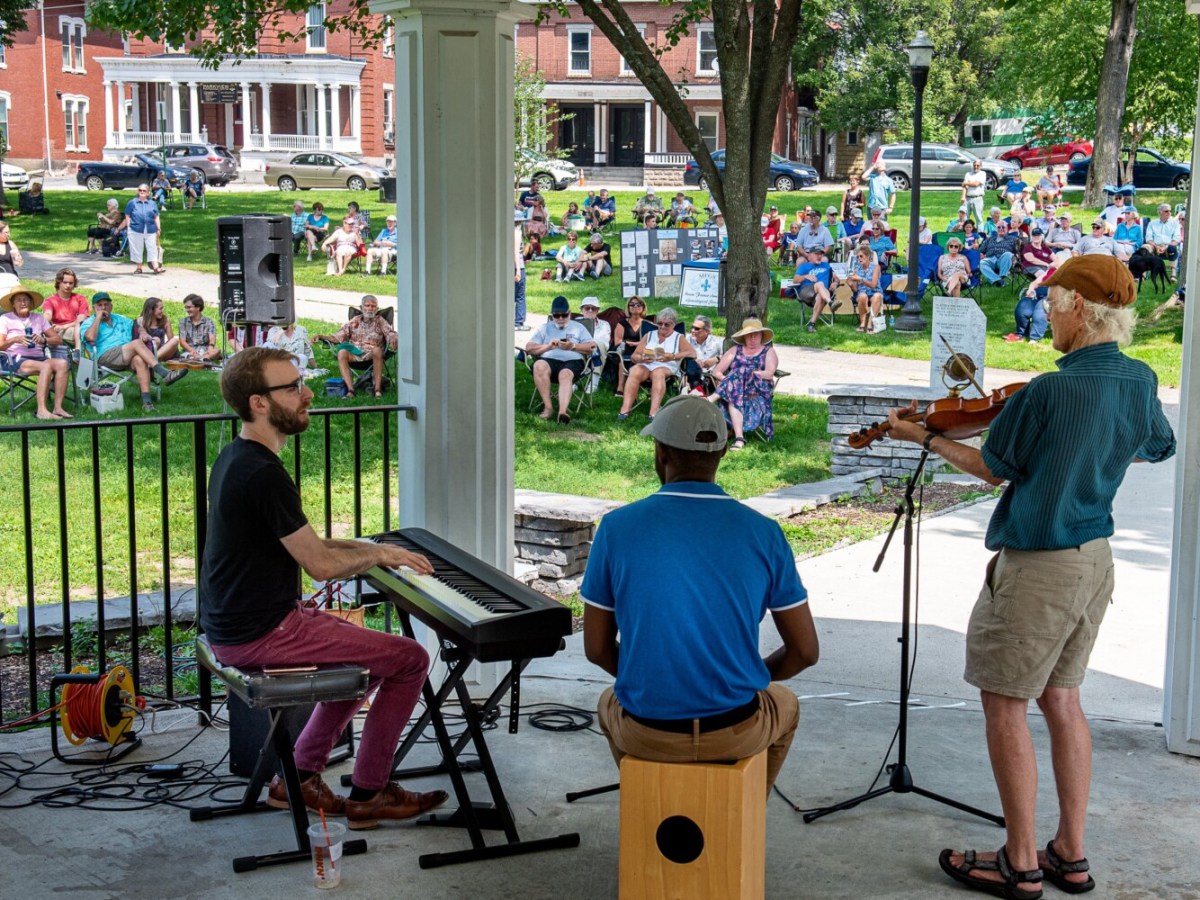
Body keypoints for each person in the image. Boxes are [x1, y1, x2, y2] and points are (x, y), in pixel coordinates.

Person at [881, 255, 1175, 900]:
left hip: (1041, 563)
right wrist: (1089, 454)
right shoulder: (1140, 379)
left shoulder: (1048, 390)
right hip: (1094, 558)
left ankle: (1019, 863)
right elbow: (1157, 445)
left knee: (1006, 705)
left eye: (1052, 301)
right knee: (1063, 701)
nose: (1047, 312)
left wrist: (923, 437)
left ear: (1078, 307)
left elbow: (992, 468)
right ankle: (1070, 852)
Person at [200, 346, 448, 829]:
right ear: (258, 403)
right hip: (261, 633)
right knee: (409, 659)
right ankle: (370, 794)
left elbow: (304, 543)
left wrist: (371, 546)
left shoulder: (237, 456)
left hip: (242, 625)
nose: (307, 393)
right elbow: (319, 565)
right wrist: (378, 555)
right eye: (292, 387)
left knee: (369, 659)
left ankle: (299, 776)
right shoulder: (262, 473)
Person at [582, 394, 819, 793]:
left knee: (609, 703)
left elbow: (597, 649)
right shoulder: (764, 533)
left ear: (661, 452)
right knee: (787, 705)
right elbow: (806, 652)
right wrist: (750, 678)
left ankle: (649, 800)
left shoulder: (616, 529)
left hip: (647, 730)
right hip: (735, 728)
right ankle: (744, 812)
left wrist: (653, 682)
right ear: (723, 452)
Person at [83, 292, 188, 411]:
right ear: (94, 307)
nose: (103, 308)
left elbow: (137, 324)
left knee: (139, 360)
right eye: (99, 305)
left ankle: (147, 403)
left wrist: (142, 331)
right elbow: (90, 337)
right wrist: (97, 318)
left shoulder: (120, 318)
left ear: (111, 306)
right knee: (137, 343)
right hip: (106, 356)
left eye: (106, 304)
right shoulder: (89, 323)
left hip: (126, 354)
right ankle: (164, 373)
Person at [0, 286, 71, 420]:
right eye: (19, 300)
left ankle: (58, 408)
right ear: (13, 304)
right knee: (45, 367)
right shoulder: (5, 319)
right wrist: (15, 339)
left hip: (38, 358)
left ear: (31, 302)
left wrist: (43, 340)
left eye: (26, 300)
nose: (23, 303)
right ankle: (42, 411)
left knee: (62, 364)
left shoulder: (39, 318)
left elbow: (58, 340)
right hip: (14, 359)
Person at [525, 295, 595, 424]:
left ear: (569, 313)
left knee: (565, 374)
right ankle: (548, 408)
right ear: (552, 315)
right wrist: (548, 346)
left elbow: (591, 347)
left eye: (564, 315)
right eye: (557, 316)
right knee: (539, 365)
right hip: (549, 360)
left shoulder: (579, 327)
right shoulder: (545, 328)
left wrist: (572, 346)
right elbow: (529, 348)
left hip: (573, 361)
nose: (560, 318)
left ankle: (562, 413)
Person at [617, 307, 693, 423]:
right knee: (635, 370)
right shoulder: (649, 335)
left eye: (667, 324)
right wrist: (642, 358)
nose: (662, 326)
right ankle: (625, 409)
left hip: (667, 366)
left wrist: (673, 356)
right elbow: (634, 356)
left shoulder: (678, 337)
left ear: (673, 325)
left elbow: (692, 353)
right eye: (660, 323)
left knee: (658, 372)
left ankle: (653, 412)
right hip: (647, 364)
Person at [711, 318, 779, 448]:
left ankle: (711, 398)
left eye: (755, 334)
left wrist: (748, 373)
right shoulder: (735, 350)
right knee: (735, 390)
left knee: (740, 371)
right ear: (744, 336)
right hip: (735, 392)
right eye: (749, 335)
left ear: (761, 335)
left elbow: (769, 373)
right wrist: (729, 382)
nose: (752, 337)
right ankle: (739, 438)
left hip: (759, 389)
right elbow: (716, 372)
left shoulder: (768, 351)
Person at [315, 295, 398, 398]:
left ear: (377, 309)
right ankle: (351, 390)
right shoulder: (355, 320)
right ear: (361, 307)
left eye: (373, 306)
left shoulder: (380, 320)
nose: (370, 308)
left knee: (377, 350)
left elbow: (390, 332)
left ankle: (377, 390)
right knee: (342, 352)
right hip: (355, 353)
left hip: (372, 355)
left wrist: (394, 337)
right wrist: (321, 336)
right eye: (367, 305)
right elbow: (338, 337)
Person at [41, 268, 90, 357]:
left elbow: (83, 319)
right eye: (65, 282)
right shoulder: (51, 300)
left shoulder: (80, 299)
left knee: (85, 330)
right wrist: (44, 322)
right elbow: (48, 314)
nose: (68, 285)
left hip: (77, 328)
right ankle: (81, 357)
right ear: (59, 283)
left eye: (71, 283)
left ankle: (80, 354)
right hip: (59, 331)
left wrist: (64, 326)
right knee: (85, 334)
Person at [613, 297, 655, 395]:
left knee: (652, 353)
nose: (635, 306)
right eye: (632, 304)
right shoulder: (622, 323)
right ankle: (620, 387)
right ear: (628, 307)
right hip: (625, 348)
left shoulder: (648, 324)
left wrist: (638, 344)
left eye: (638, 304)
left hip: (643, 350)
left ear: (643, 307)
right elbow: (617, 341)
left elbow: (653, 341)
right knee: (624, 351)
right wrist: (630, 343)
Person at [122, 184, 165, 276]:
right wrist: (129, 226)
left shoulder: (152, 203)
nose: (142, 192)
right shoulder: (132, 202)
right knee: (137, 248)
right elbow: (127, 214)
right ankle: (139, 267)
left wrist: (158, 228)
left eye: (144, 190)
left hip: (150, 229)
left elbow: (156, 216)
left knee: (152, 248)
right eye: (140, 190)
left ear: (148, 193)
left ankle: (156, 267)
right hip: (136, 228)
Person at [792, 247, 836, 334]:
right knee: (820, 284)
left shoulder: (826, 266)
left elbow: (836, 278)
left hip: (823, 293)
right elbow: (795, 280)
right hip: (807, 292)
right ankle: (831, 303)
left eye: (821, 254)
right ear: (810, 256)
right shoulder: (804, 266)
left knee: (820, 296)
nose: (819, 256)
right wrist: (805, 276)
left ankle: (812, 324)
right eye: (817, 254)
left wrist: (835, 283)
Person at [682, 314, 722, 395]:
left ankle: (699, 391)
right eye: (692, 327)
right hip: (691, 373)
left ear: (707, 331)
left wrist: (716, 359)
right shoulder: (687, 340)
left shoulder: (716, 342)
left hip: (709, 375)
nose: (692, 330)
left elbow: (727, 355)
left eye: (697, 329)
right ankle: (698, 391)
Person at [847, 244, 884, 328]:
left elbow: (873, 285)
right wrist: (851, 285)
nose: (859, 259)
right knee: (862, 296)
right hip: (862, 293)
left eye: (861, 256)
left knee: (877, 296)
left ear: (867, 256)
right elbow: (856, 290)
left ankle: (870, 324)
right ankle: (863, 323)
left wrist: (860, 279)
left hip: (874, 292)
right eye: (857, 257)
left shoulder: (876, 267)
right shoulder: (857, 269)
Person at [579, 297, 611, 393]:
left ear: (597, 310)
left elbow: (605, 343)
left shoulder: (604, 324)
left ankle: (594, 383)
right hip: (579, 349)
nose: (590, 310)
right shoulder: (575, 323)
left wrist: (590, 344)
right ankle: (573, 381)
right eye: (587, 308)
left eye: (593, 308)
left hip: (596, 350)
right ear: (581, 310)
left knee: (599, 346)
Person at [178, 294, 222, 363]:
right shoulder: (183, 322)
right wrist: (193, 351)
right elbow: (182, 342)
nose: (187, 310)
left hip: (205, 350)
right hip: (190, 350)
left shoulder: (209, 321)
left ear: (198, 307)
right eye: (186, 307)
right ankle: (202, 360)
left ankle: (202, 359)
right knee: (188, 355)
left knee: (217, 350)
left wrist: (210, 349)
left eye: (189, 307)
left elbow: (212, 339)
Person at [1145, 203, 1181, 281]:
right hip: (1154, 246)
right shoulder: (1152, 223)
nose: (1169, 213)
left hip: (1168, 248)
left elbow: (1176, 240)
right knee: (1145, 247)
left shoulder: (1175, 224)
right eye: (1166, 211)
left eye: (1170, 211)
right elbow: (1148, 239)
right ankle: (1142, 274)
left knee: (1172, 247)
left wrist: (1165, 247)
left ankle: (1173, 274)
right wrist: (1156, 246)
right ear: (1160, 212)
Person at [137, 296, 180, 361]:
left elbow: (171, 340)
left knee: (175, 340)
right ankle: (152, 360)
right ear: (151, 310)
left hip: (163, 351)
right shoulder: (142, 320)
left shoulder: (165, 320)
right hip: (149, 350)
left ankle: (152, 360)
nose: (162, 311)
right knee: (155, 340)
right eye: (160, 309)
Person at [978, 220, 1020, 286]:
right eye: (999, 227)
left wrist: (1016, 258)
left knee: (1008, 254)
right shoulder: (990, 239)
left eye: (1003, 227)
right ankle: (998, 280)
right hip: (990, 259)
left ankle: (1001, 276)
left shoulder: (1013, 239)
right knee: (981, 263)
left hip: (1003, 260)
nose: (1001, 229)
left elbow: (1018, 252)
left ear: (1007, 228)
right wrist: (980, 254)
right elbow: (980, 250)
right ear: (996, 229)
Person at [961, 159, 987, 225]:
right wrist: (963, 196)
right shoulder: (968, 174)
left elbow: (976, 184)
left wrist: (967, 183)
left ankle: (980, 231)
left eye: (977, 165)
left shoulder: (982, 174)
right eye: (974, 165)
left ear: (981, 166)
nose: (976, 167)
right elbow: (964, 186)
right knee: (965, 218)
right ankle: (966, 231)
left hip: (977, 198)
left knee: (979, 218)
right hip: (967, 198)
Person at [513, 223, 527, 332]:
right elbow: (516, 252)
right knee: (520, 295)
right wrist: (518, 270)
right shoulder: (517, 232)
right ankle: (518, 322)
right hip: (518, 266)